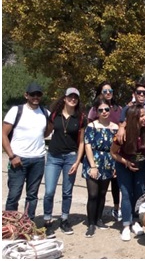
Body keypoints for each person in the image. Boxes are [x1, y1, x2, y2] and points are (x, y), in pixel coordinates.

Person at [3, 82, 52, 220]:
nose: (35, 97)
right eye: (32, 94)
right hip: (18, 159)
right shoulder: (16, 111)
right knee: (14, 194)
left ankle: (27, 223)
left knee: (32, 196)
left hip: (38, 159)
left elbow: (46, 133)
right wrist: (12, 156)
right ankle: (10, 224)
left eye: (38, 94)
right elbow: (3, 134)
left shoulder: (45, 112)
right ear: (26, 95)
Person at [43, 87, 88, 237]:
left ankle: (64, 219)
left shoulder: (81, 117)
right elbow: (46, 132)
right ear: (64, 98)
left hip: (70, 157)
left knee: (67, 192)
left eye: (75, 97)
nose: (73, 99)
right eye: (70, 96)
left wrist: (77, 161)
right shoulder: (54, 115)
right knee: (49, 191)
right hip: (53, 157)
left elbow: (81, 142)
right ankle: (48, 220)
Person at [110, 104, 145, 241]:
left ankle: (136, 221)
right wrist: (126, 162)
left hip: (141, 164)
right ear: (133, 118)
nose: (144, 118)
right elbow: (113, 153)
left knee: (139, 192)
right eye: (141, 116)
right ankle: (126, 225)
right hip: (124, 164)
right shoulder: (122, 134)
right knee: (127, 193)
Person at [83, 98, 119, 237]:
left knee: (103, 193)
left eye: (106, 109)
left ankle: (99, 219)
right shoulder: (92, 126)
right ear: (96, 111)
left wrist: (115, 165)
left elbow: (116, 148)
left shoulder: (115, 127)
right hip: (94, 160)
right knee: (93, 194)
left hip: (109, 161)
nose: (104, 112)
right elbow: (88, 145)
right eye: (101, 110)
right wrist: (92, 166)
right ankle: (90, 223)